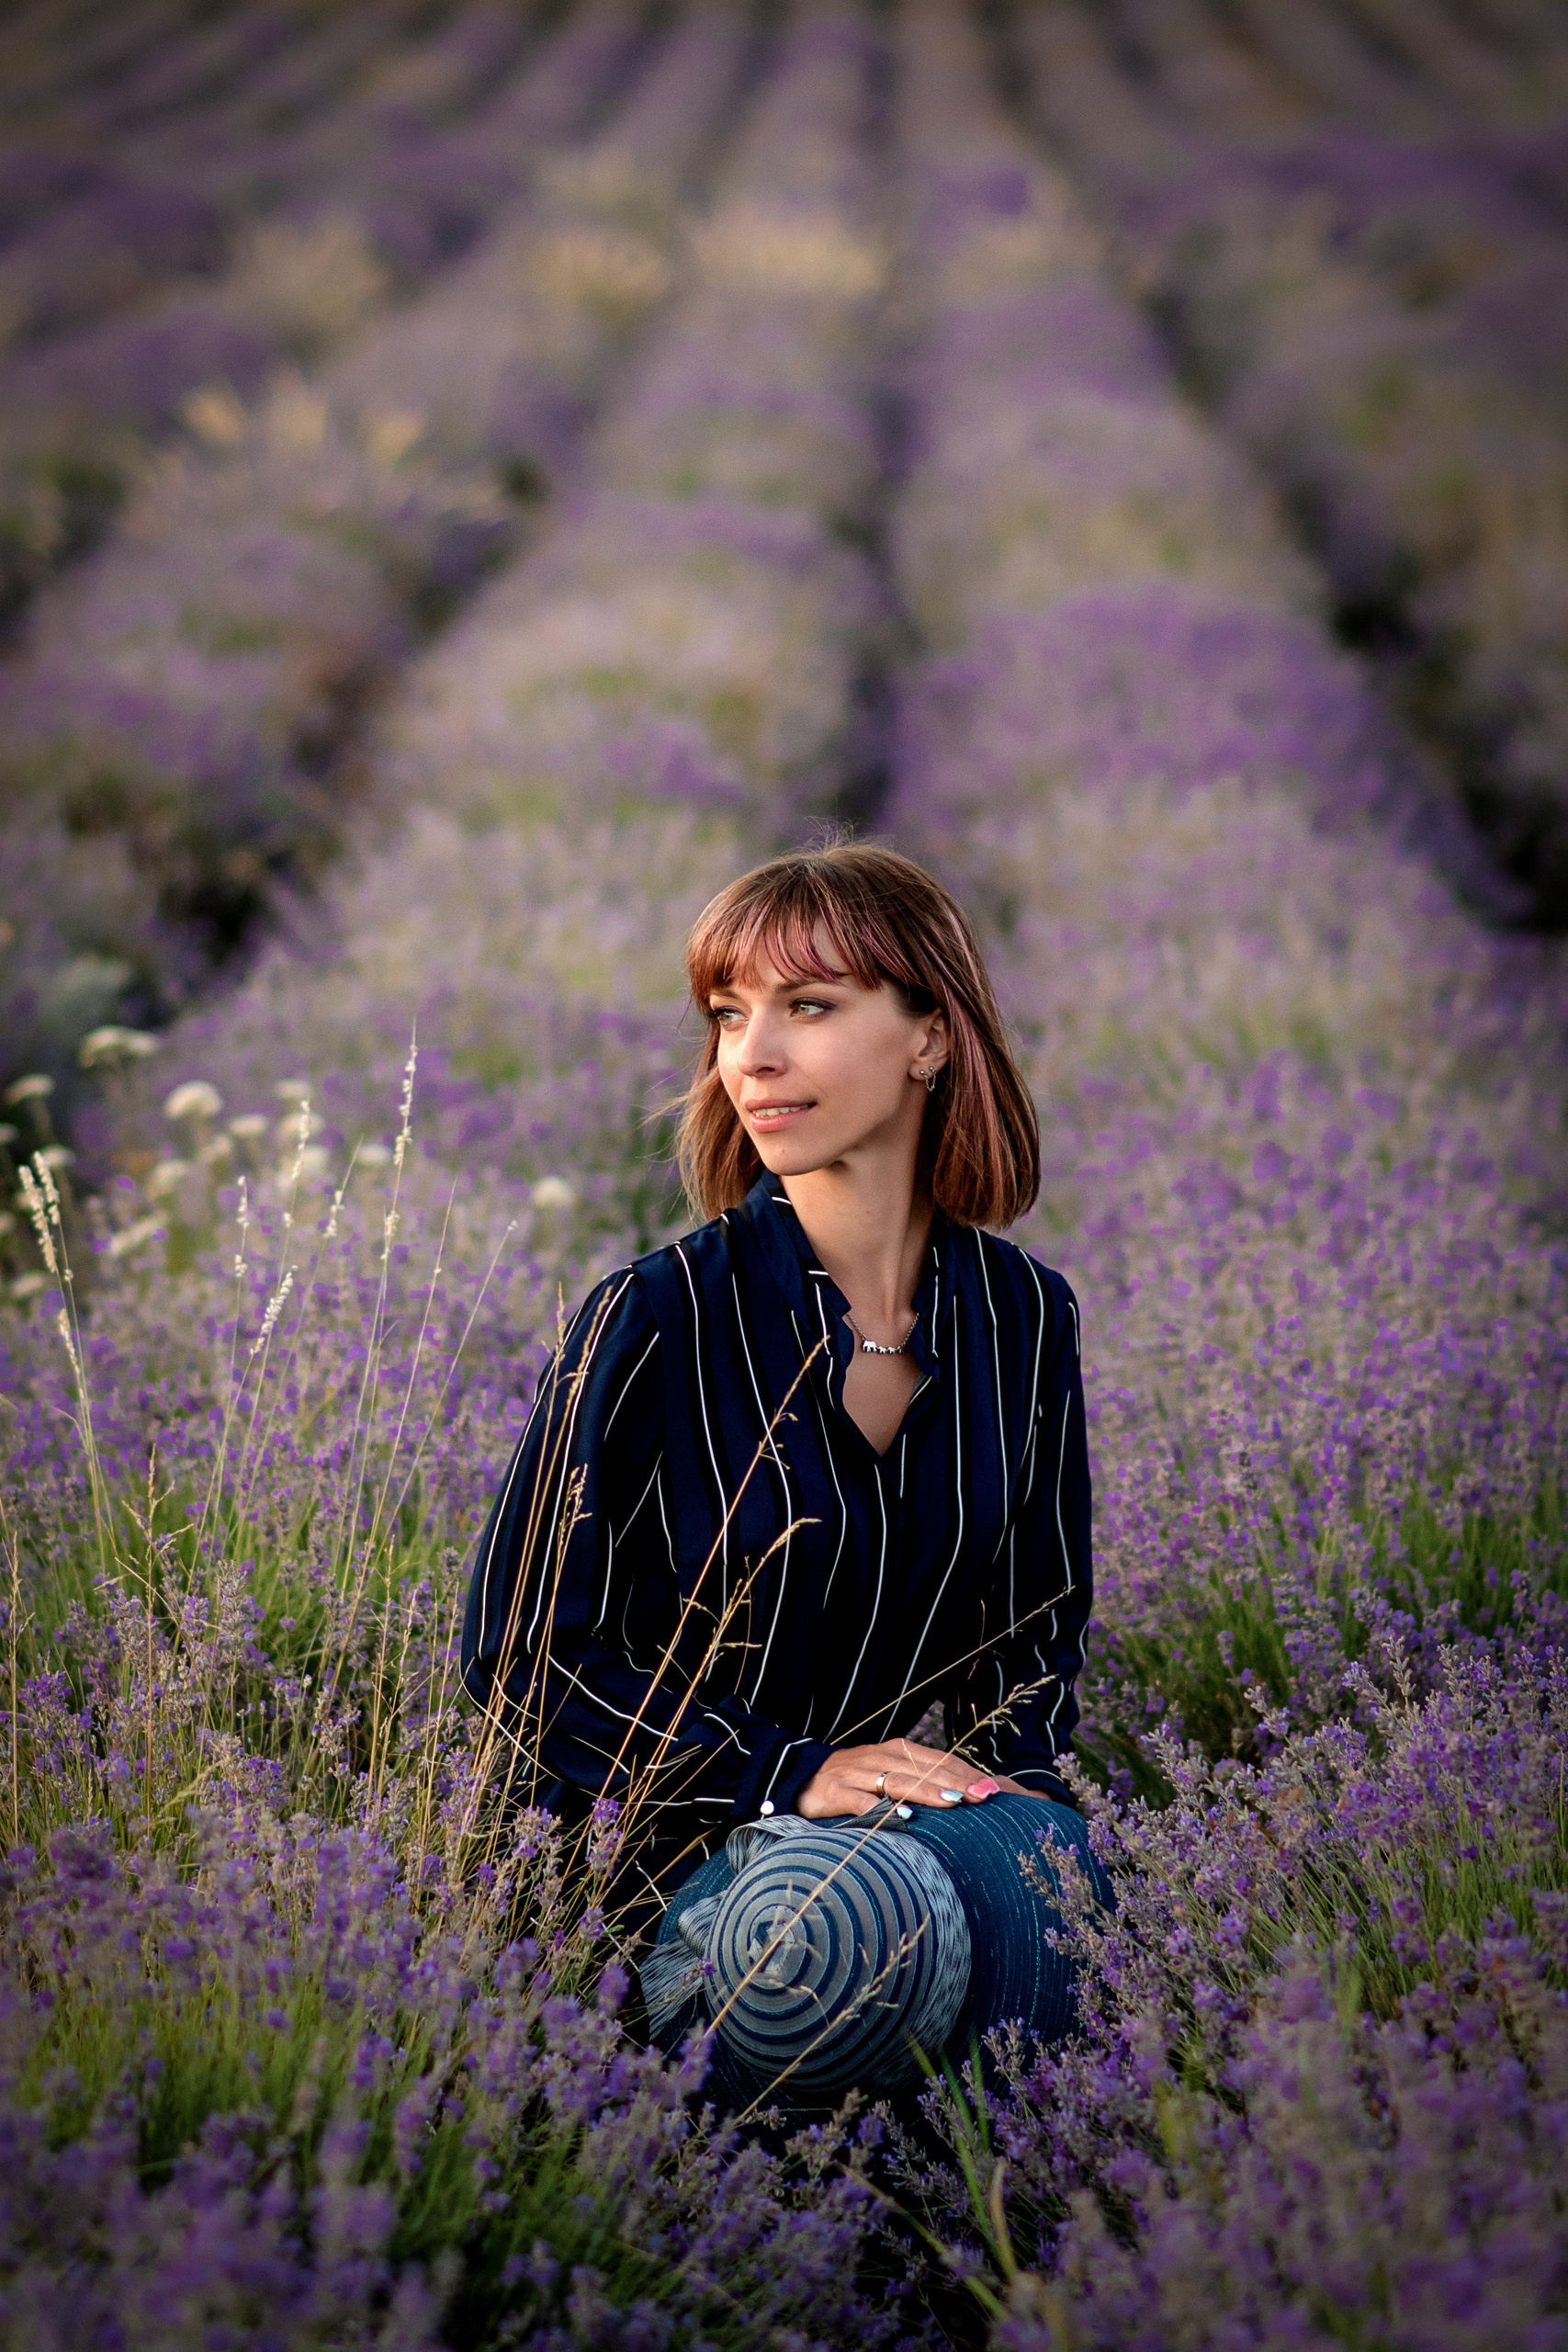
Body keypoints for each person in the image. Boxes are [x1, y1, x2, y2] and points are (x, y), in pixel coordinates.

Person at [460, 841, 1100, 2111]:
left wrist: (998, 1810)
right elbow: (526, 1651)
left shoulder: (1024, 1314)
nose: (750, 1055)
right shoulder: (656, 1314)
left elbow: (1034, 1633)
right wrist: (781, 1772)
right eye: (728, 1015)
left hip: (890, 1869)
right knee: (819, 1944)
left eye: (808, 1008)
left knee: (1071, 1912)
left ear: (930, 1035)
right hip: (643, 1884)